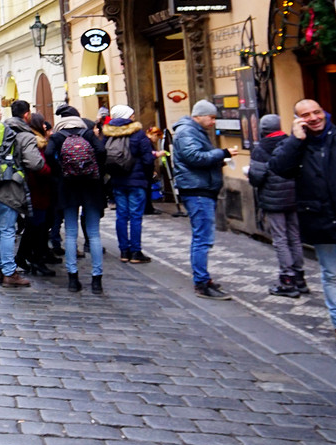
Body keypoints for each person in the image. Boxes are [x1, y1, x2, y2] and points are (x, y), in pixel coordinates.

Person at [269, 98, 336, 350]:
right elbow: (279, 168)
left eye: (316, 112)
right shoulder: (296, 145)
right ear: (298, 119)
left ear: (324, 112)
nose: (313, 118)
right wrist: (295, 139)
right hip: (320, 218)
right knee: (332, 274)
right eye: (306, 115)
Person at [171, 100, 238, 299]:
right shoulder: (187, 132)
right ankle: (201, 282)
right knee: (202, 238)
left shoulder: (194, 131)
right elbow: (195, 157)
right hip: (197, 190)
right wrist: (222, 153)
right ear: (199, 115)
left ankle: (203, 279)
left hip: (200, 188)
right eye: (211, 117)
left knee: (202, 237)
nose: (213, 121)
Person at [0, 101, 41, 289]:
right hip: (8, 189)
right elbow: (35, 163)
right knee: (7, 231)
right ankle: (9, 273)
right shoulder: (23, 135)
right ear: (26, 116)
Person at [46, 105, 108, 294]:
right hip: (91, 186)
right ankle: (96, 281)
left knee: (71, 233)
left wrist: (61, 171)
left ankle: (73, 279)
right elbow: (102, 151)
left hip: (68, 187)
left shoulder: (57, 136)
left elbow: (48, 155)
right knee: (94, 234)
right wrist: (94, 170)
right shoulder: (87, 133)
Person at [247, 113, 305, 298]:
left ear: (263, 129)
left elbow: (257, 177)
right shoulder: (291, 142)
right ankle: (300, 277)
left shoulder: (261, 148)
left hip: (273, 199)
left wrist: (249, 175)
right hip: (294, 196)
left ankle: (287, 279)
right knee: (294, 237)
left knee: (280, 239)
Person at [102, 104, 156, 264]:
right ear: (126, 116)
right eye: (131, 115)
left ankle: (124, 251)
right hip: (137, 181)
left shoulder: (108, 134)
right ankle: (136, 252)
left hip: (118, 180)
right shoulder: (138, 134)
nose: (133, 117)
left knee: (121, 216)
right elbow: (147, 159)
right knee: (135, 217)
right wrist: (147, 177)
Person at [18, 111, 56, 277]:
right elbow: (37, 165)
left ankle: (25, 256)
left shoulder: (31, 139)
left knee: (34, 225)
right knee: (37, 225)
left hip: (36, 189)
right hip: (36, 188)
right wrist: (50, 171)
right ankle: (35, 259)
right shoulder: (35, 142)